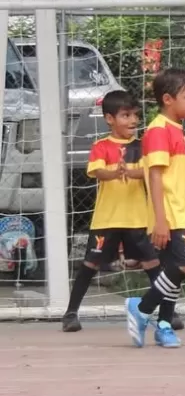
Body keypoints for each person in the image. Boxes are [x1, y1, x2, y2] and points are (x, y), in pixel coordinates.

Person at [63, 90, 159, 333]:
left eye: (135, 115)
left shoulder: (143, 146)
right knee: (90, 264)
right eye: (125, 115)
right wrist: (115, 172)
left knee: (152, 264)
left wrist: (131, 172)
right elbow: (97, 172)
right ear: (109, 119)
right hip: (107, 219)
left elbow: (149, 172)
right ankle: (71, 312)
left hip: (137, 218)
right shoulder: (101, 145)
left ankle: (169, 311)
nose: (133, 121)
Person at [124, 68, 185, 349]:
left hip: (183, 210)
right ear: (168, 99)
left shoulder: (179, 130)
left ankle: (164, 326)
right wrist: (160, 219)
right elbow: (154, 176)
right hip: (170, 213)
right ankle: (141, 308)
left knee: (173, 270)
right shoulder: (158, 130)